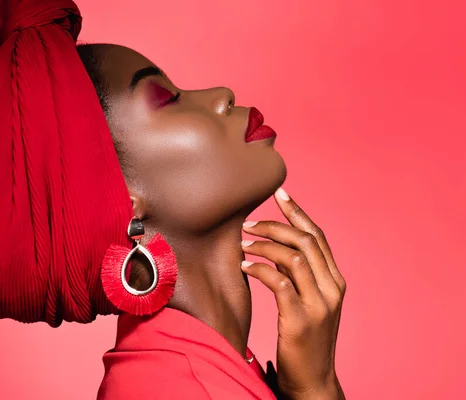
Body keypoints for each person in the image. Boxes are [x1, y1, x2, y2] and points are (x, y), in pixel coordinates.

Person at [0, 0, 346, 399]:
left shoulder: (193, 369)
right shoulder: (169, 388)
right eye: (168, 98)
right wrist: (318, 389)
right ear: (121, 199)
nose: (222, 95)